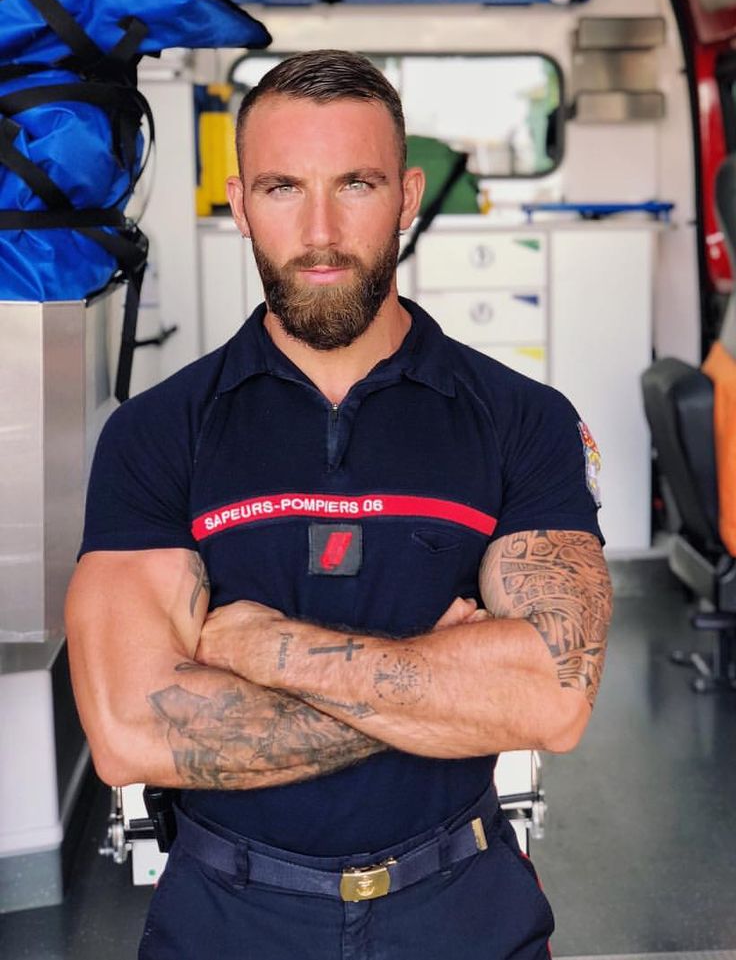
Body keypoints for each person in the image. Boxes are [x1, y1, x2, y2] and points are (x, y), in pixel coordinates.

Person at [65, 49, 613, 960]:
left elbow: (553, 701)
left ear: (405, 195)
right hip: (226, 913)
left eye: (354, 183)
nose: (319, 231)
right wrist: (441, 682)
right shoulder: (157, 435)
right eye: (283, 187)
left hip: (465, 902)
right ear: (240, 204)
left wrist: (257, 650)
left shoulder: (523, 420)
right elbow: (130, 732)